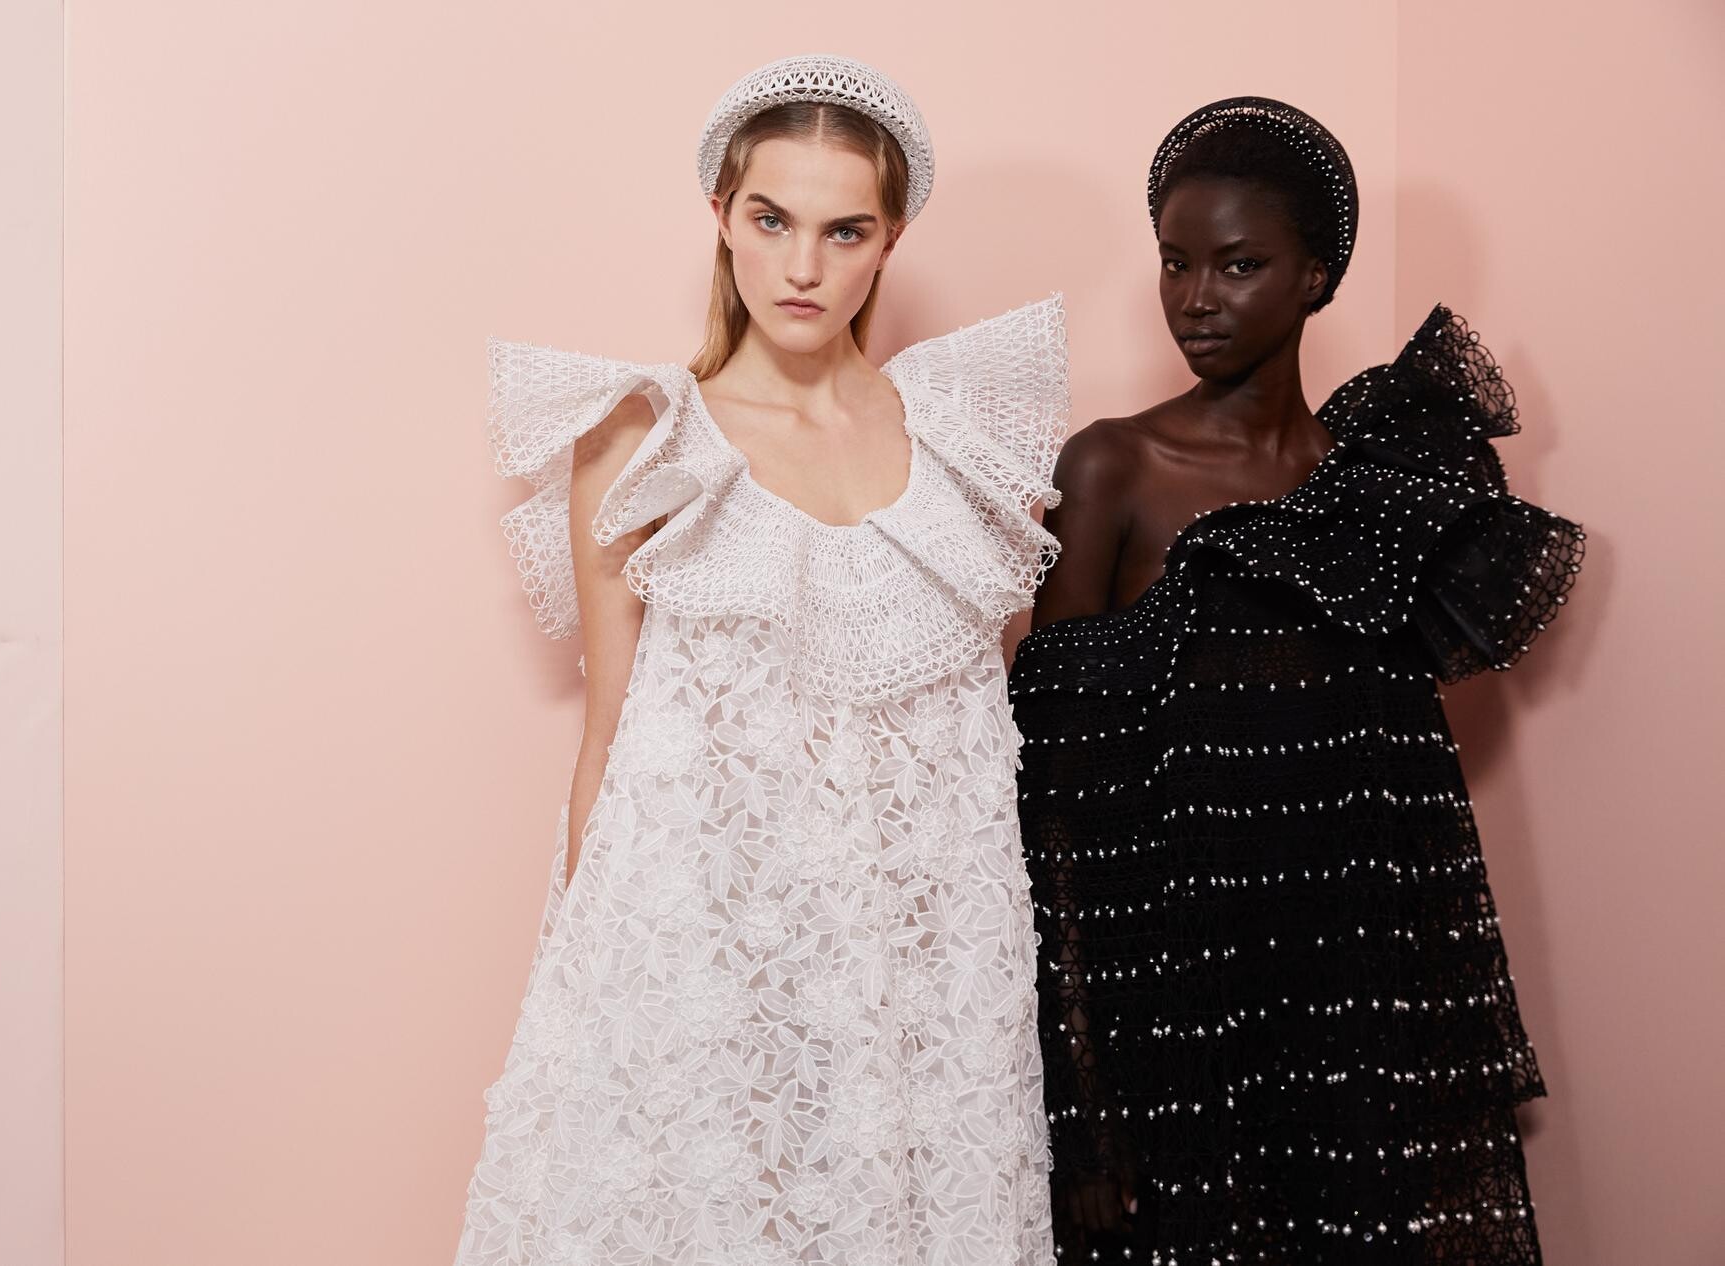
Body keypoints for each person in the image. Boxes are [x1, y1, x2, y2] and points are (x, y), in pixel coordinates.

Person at [457, 56, 1070, 1264]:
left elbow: (977, 739)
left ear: (889, 241)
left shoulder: (962, 444)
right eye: (771, 220)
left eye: (845, 231)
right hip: (701, 942)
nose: (803, 268)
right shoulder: (644, 438)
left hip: (914, 969)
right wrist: (585, 995)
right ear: (722, 217)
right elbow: (609, 736)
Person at [1013, 97, 1583, 1264]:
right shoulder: (1113, 467)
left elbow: (1406, 803)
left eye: (1238, 265)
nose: (1195, 298)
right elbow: (1054, 805)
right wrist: (1083, 1105)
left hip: (1357, 1004)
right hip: (1176, 1007)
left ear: (1315, 277)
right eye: (1174, 262)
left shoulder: (1384, 488)